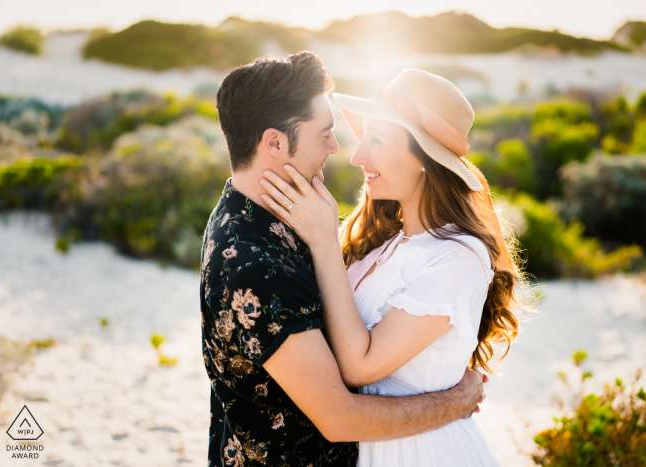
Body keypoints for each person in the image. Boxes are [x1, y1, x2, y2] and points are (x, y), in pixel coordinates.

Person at [200, 52, 487, 467]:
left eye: (376, 139)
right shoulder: (254, 261)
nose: (344, 152)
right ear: (275, 142)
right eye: (325, 134)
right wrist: (455, 401)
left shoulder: (284, 226)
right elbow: (339, 415)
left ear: (425, 160)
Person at [259, 68, 525, 466]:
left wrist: (325, 243)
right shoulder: (383, 243)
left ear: (424, 158)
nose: (356, 155)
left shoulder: (459, 257)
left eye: (377, 140)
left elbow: (358, 366)